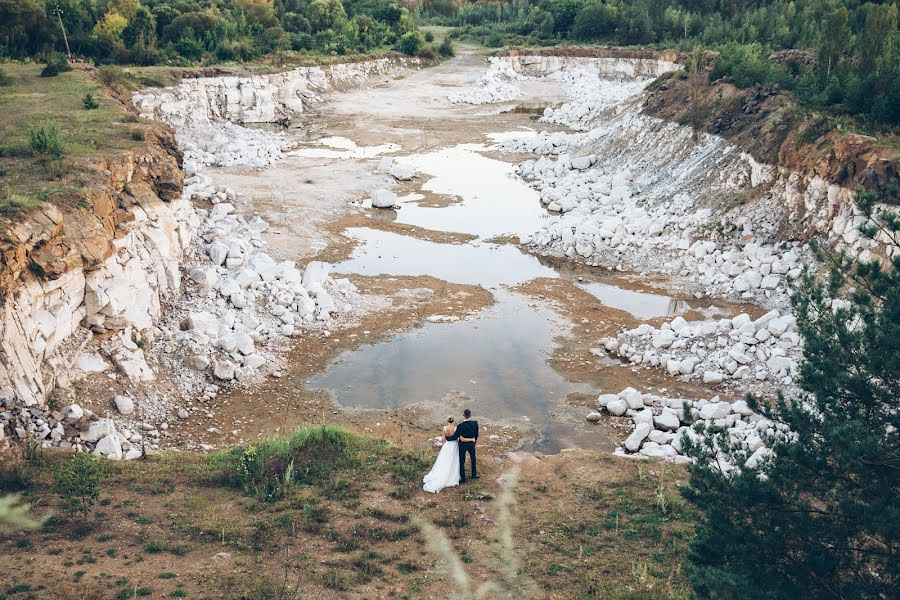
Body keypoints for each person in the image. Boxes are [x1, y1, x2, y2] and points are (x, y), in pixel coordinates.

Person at [422, 416, 462, 493]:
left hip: (447, 445)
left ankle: (442, 473)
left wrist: (444, 447)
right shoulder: (456, 428)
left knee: (444, 460)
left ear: (448, 421)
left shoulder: (444, 428)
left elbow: (443, 439)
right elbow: (457, 438)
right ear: (453, 421)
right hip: (454, 445)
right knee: (454, 460)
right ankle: (453, 476)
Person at [446, 408, 478, 482]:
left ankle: (463, 478)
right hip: (471, 444)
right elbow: (476, 435)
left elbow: (455, 436)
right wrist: (474, 442)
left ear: (463, 415)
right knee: (473, 458)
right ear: (470, 415)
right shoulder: (475, 423)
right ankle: (474, 475)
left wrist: (447, 438)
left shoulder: (460, 426)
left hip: (462, 445)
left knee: (462, 461)